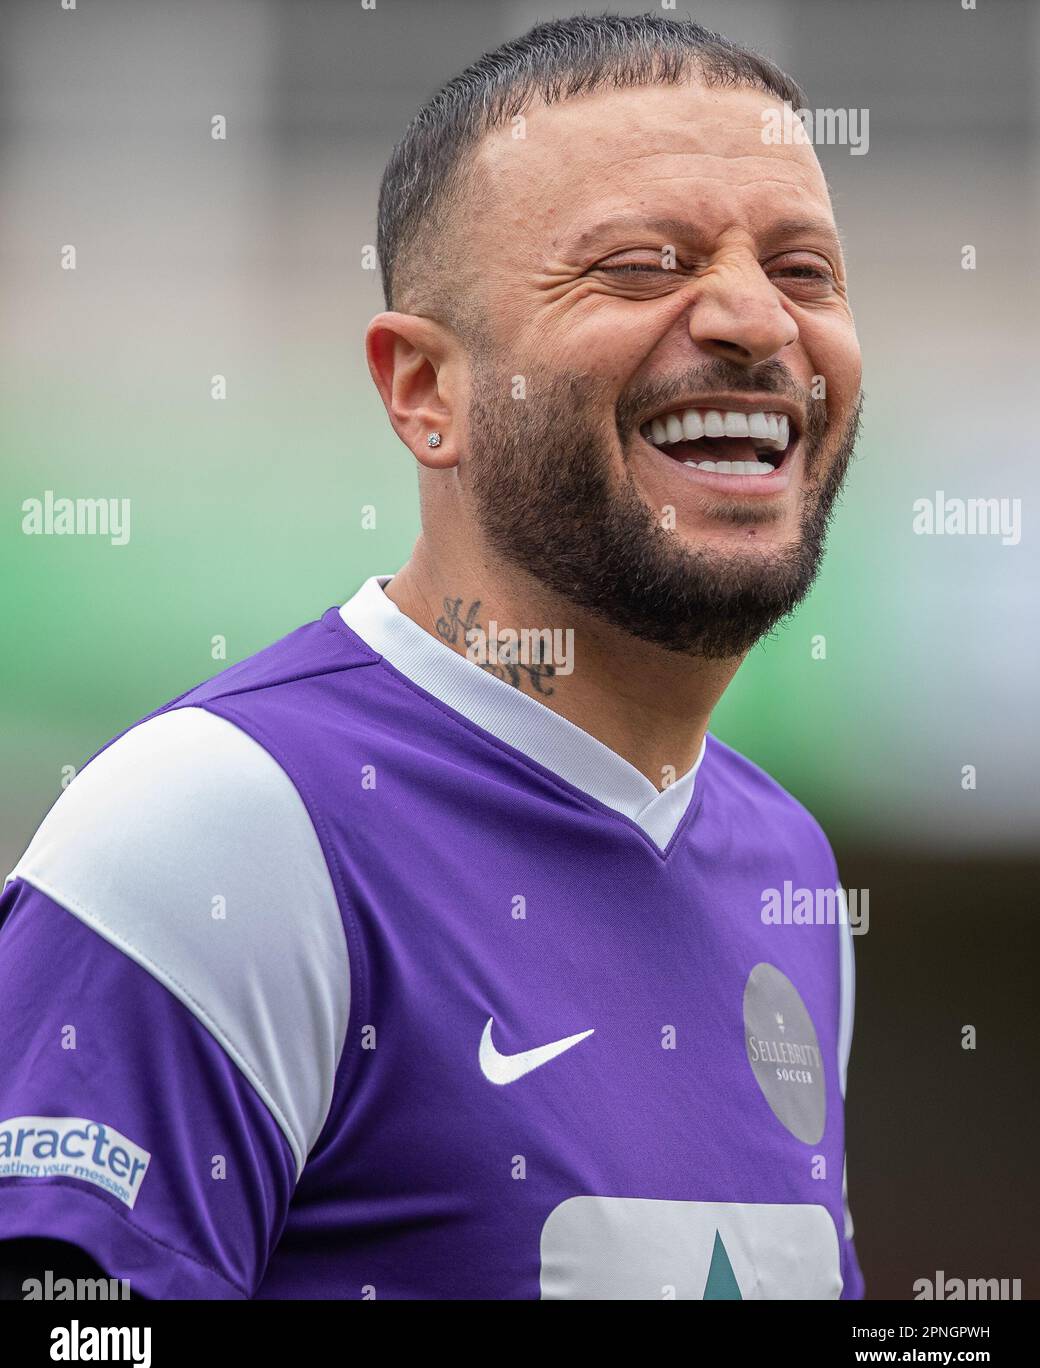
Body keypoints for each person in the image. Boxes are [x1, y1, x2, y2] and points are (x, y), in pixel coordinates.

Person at [0, 13, 864, 1299]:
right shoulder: (218, 826)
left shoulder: (789, 869)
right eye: (640, 264)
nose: (753, 318)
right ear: (423, 390)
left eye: (802, 272)